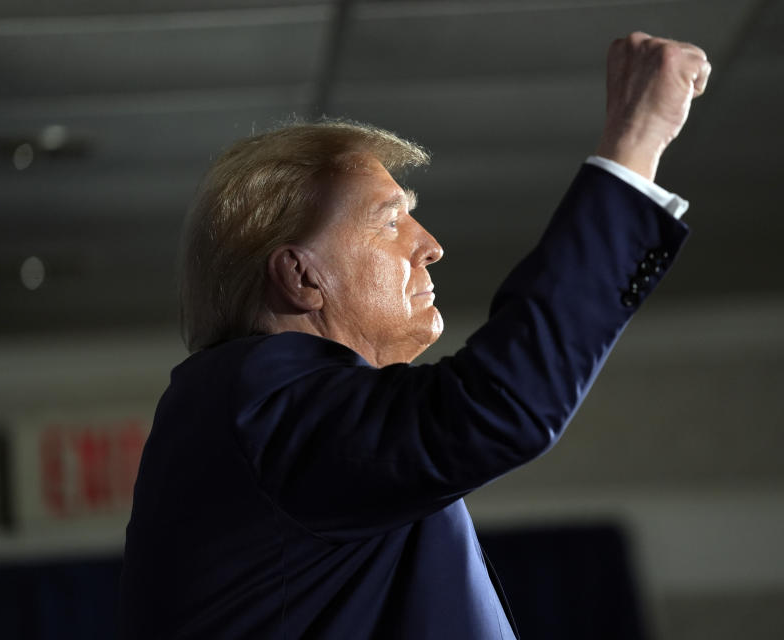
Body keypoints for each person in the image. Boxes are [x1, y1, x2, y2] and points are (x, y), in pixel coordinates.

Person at [121, 32, 711, 639]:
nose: (430, 246)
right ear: (300, 276)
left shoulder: (265, 413)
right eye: (391, 220)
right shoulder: (259, 399)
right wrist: (635, 143)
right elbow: (499, 405)